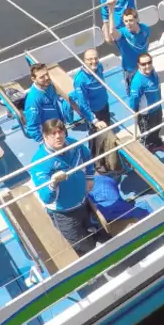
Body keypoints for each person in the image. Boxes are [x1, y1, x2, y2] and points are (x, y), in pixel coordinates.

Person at [30, 119, 96, 252]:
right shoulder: (39, 162)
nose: (58, 136)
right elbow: (46, 198)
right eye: (52, 134)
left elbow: (87, 156)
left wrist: (90, 177)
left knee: (93, 231)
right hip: (64, 214)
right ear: (44, 137)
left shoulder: (74, 145)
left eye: (60, 132)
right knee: (83, 247)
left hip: (83, 203)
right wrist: (53, 182)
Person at [103, 0, 150, 92]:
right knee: (134, 93)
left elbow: (146, 44)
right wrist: (111, 10)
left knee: (148, 90)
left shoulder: (145, 29)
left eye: (131, 20)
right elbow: (112, 32)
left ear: (137, 19)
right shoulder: (122, 34)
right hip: (130, 71)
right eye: (126, 21)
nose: (128, 23)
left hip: (145, 66)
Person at [126, 53, 164, 153]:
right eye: (143, 64)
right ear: (138, 65)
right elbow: (133, 101)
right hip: (146, 114)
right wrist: (136, 113)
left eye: (149, 62)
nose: (147, 66)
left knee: (157, 128)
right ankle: (147, 151)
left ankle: (156, 143)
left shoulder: (153, 72)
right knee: (147, 135)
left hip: (157, 108)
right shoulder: (138, 82)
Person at [24, 63, 77, 141]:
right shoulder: (33, 100)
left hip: (59, 127)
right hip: (50, 136)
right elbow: (32, 127)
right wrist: (44, 143)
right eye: (42, 77)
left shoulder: (49, 86)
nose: (47, 78)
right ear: (33, 79)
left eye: (47, 74)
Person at [70, 49, 112, 128]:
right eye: (90, 59)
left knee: (108, 128)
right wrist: (94, 120)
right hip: (94, 112)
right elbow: (82, 103)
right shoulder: (80, 80)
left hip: (105, 106)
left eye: (96, 58)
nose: (94, 61)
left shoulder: (99, 66)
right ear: (84, 61)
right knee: (97, 136)